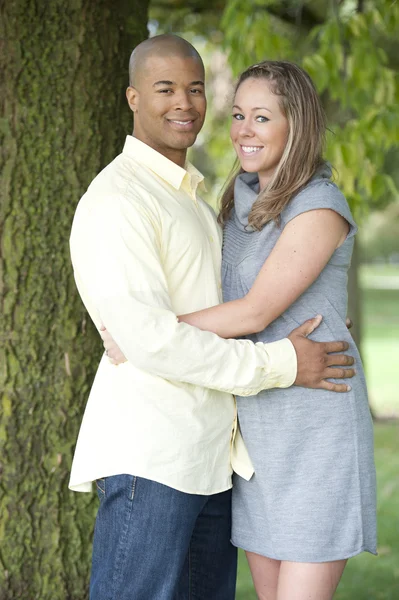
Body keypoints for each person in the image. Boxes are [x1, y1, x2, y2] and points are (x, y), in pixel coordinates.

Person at [70, 35, 355, 600]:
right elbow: (156, 340)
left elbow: (214, 315)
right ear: (132, 98)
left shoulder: (198, 202)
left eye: (195, 89)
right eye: (165, 88)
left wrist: (150, 332)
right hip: (153, 456)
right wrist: (277, 364)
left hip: (211, 462)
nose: (184, 102)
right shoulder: (119, 200)